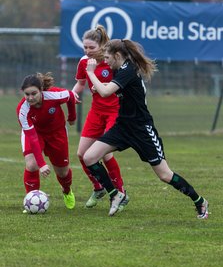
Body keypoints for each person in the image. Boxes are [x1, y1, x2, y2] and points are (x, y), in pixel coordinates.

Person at [82, 39, 209, 218]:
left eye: (108, 57)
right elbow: (108, 89)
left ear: (118, 56)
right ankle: (115, 194)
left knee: (165, 175)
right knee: (89, 157)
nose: (106, 60)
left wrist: (90, 73)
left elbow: (105, 92)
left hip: (142, 130)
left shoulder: (128, 70)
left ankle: (200, 201)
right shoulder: (118, 68)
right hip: (123, 127)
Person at [72, 25, 129, 210]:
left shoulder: (112, 61)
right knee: (81, 154)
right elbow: (80, 83)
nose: (88, 51)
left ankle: (120, 193)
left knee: (105, 154)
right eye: (85, 48)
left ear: (102, 45)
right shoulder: (84, 62)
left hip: (114, 111)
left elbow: (123, 84)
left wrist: (104, 85)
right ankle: (98, 187)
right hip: (96, 112)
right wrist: (71, 97)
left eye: (92, 48)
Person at [16, 72, 76, 211]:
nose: (30, 98)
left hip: (57, 133)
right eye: (27, 94)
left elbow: (71, 96)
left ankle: (67, 191)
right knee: (32, 165)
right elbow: (32, 137)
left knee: (62, 172)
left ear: (41, 90)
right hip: (35, 133)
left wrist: (72, 117)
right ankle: (30, 199)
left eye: (34, 93)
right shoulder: (22, 110)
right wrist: (42, 164)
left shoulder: (54, 95)